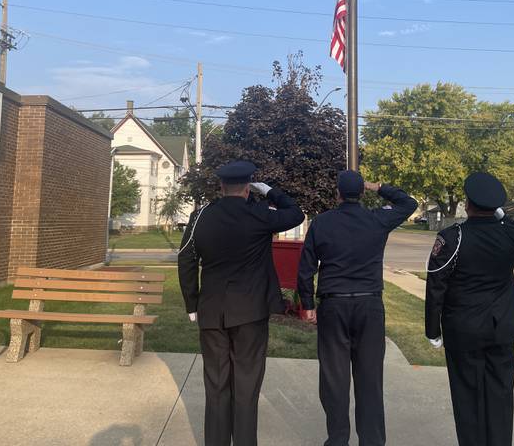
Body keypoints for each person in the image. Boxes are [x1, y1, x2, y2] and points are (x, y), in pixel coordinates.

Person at [178, 160, 305, 446]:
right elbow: (296, 213)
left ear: (221, 187)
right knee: (246, 386)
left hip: (211, 310)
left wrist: (191, 303)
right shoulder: (260, 214)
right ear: (248, 188)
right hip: (250, 312)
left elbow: (186, 258)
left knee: (216, 385)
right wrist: (271, 192)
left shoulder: (200, 216)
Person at [298, 170, 418, 446]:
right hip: (369, 305)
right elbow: (408, 204)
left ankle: (338, 439)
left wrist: (307, 304)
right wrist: (377, 186)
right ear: (361, 193)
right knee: (370, 379)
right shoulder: (377, 219)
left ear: (337, 194)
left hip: (333, 305)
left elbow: (306, 267)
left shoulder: (322, 223)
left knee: (334, 378)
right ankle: (372, 441)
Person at [425, 171, 514, 446]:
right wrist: (503, 217)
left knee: (467, 400)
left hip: (463, 331)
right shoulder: (509, 237)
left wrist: (433, 330)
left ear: (468, 203)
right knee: (500, 398)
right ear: (495, 207)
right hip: (501, 329)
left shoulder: (453, 238)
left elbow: (436, 285)